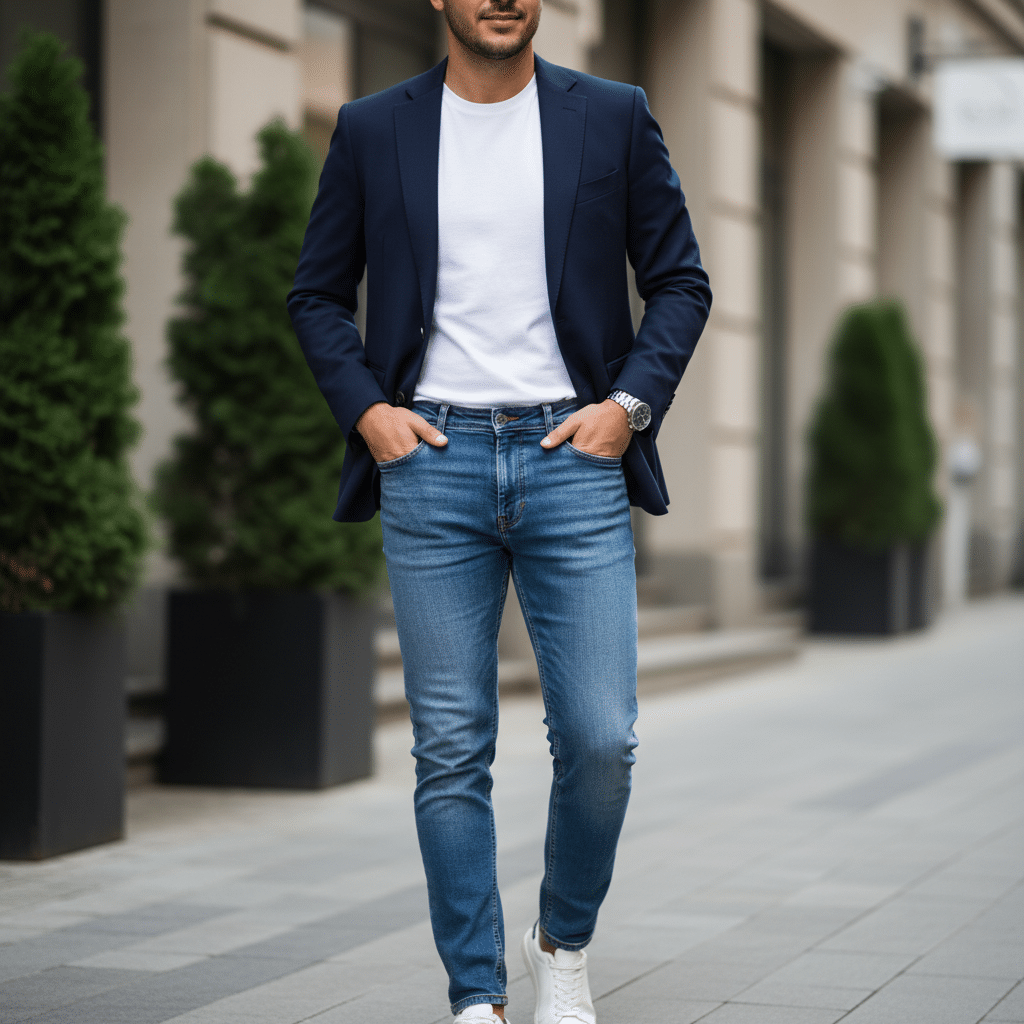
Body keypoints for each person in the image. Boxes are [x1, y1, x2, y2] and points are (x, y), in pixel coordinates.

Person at [287, 2, 711, 1020]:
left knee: (602, 736)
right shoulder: (372, 127)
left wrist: (627, 407)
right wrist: (370, 414)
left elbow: (681, 281)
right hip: (431, 461)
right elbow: (315, 294)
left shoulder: (610, 115)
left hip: (572, 455)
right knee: (450, 746)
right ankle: (475, 993)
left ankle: (558, 941)